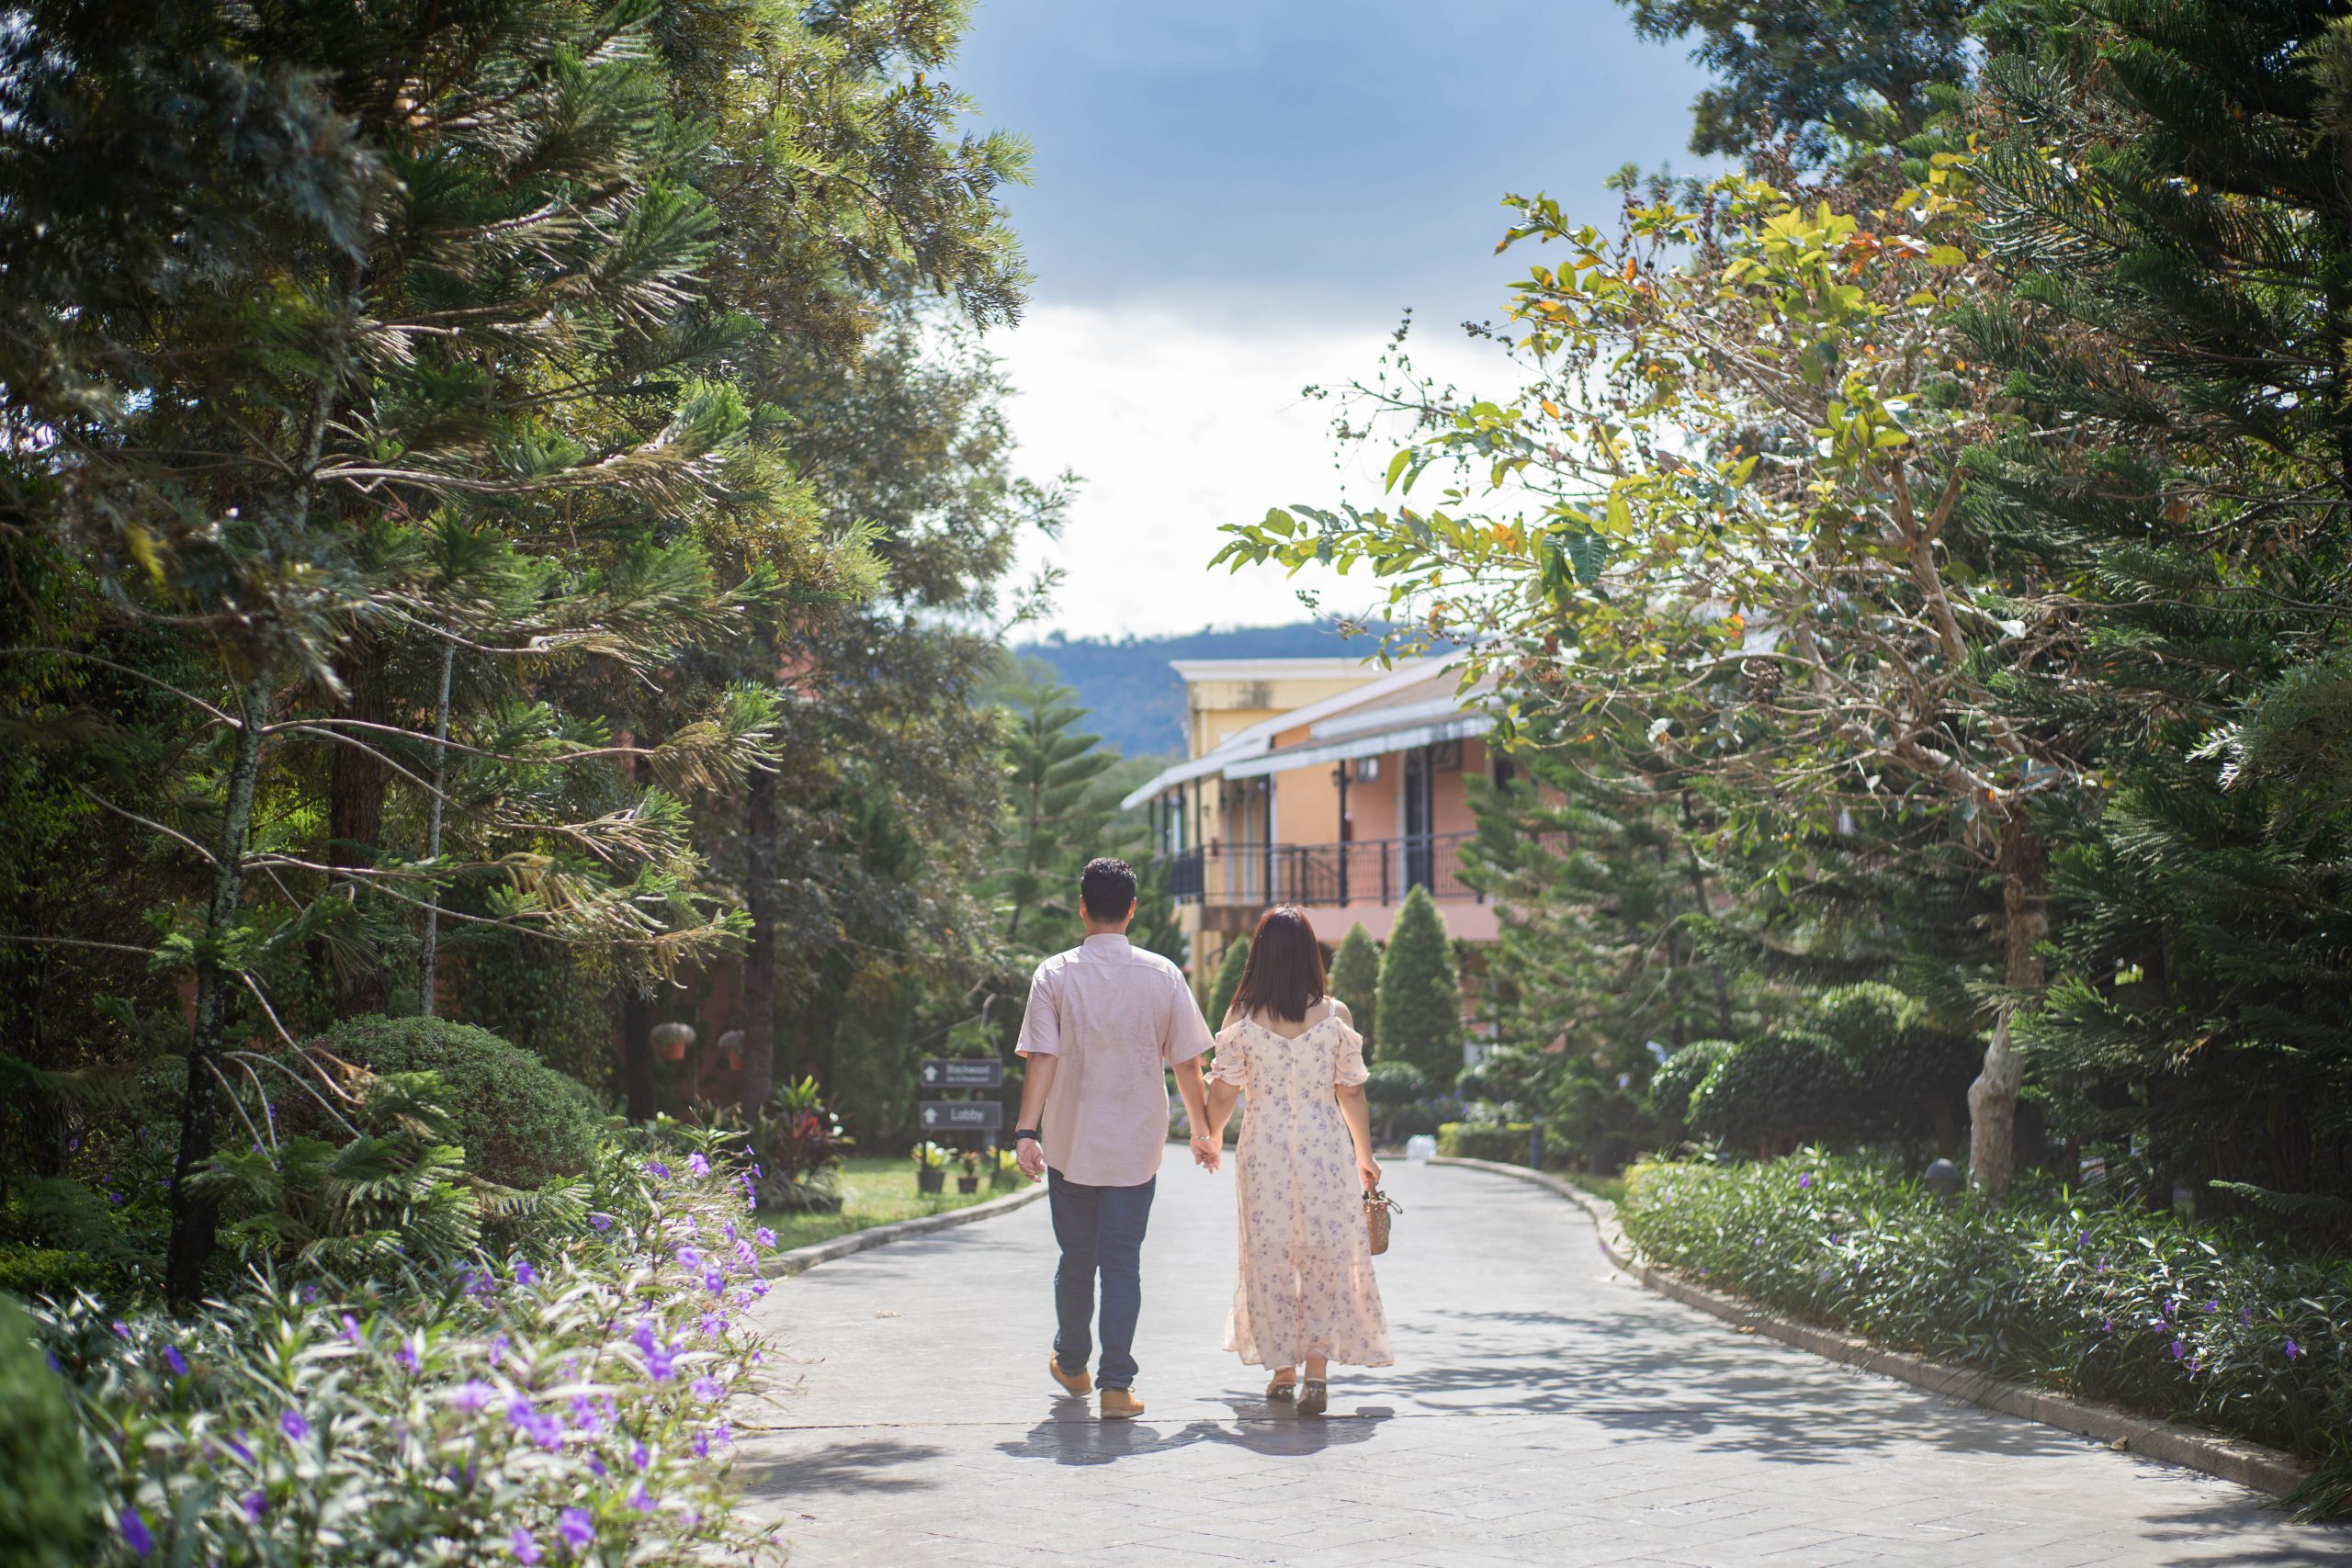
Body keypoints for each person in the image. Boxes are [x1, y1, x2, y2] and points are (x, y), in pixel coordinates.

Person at [1012, 856, 1219, 1420]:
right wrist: (1203, 1132)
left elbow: (1042, 1058)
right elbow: (1188, 1064)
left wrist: (1026, 1131)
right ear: (1132, 909)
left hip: (1069, 1141)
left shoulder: (1053, 974)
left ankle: (1073, 1363)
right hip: (1134, 1146)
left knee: (1076, 1258)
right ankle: (1115, 1387)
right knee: (1122, 1261)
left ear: (1082, 908)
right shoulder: (1163, 974)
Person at [1202, 905, 1391, 1416]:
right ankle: (1316, 1374)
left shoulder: (1241, 1019)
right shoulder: (1335, 1016)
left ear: (1258, 956)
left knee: (1270, 1255)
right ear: (1311, 956)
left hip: (1263, 1148)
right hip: (1325, 1147)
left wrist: (1210, 1137)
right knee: (1325, 1256)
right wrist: (1364, 1155)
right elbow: (1350, 1093)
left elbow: (1223, 1094)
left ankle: (1282, 1371)